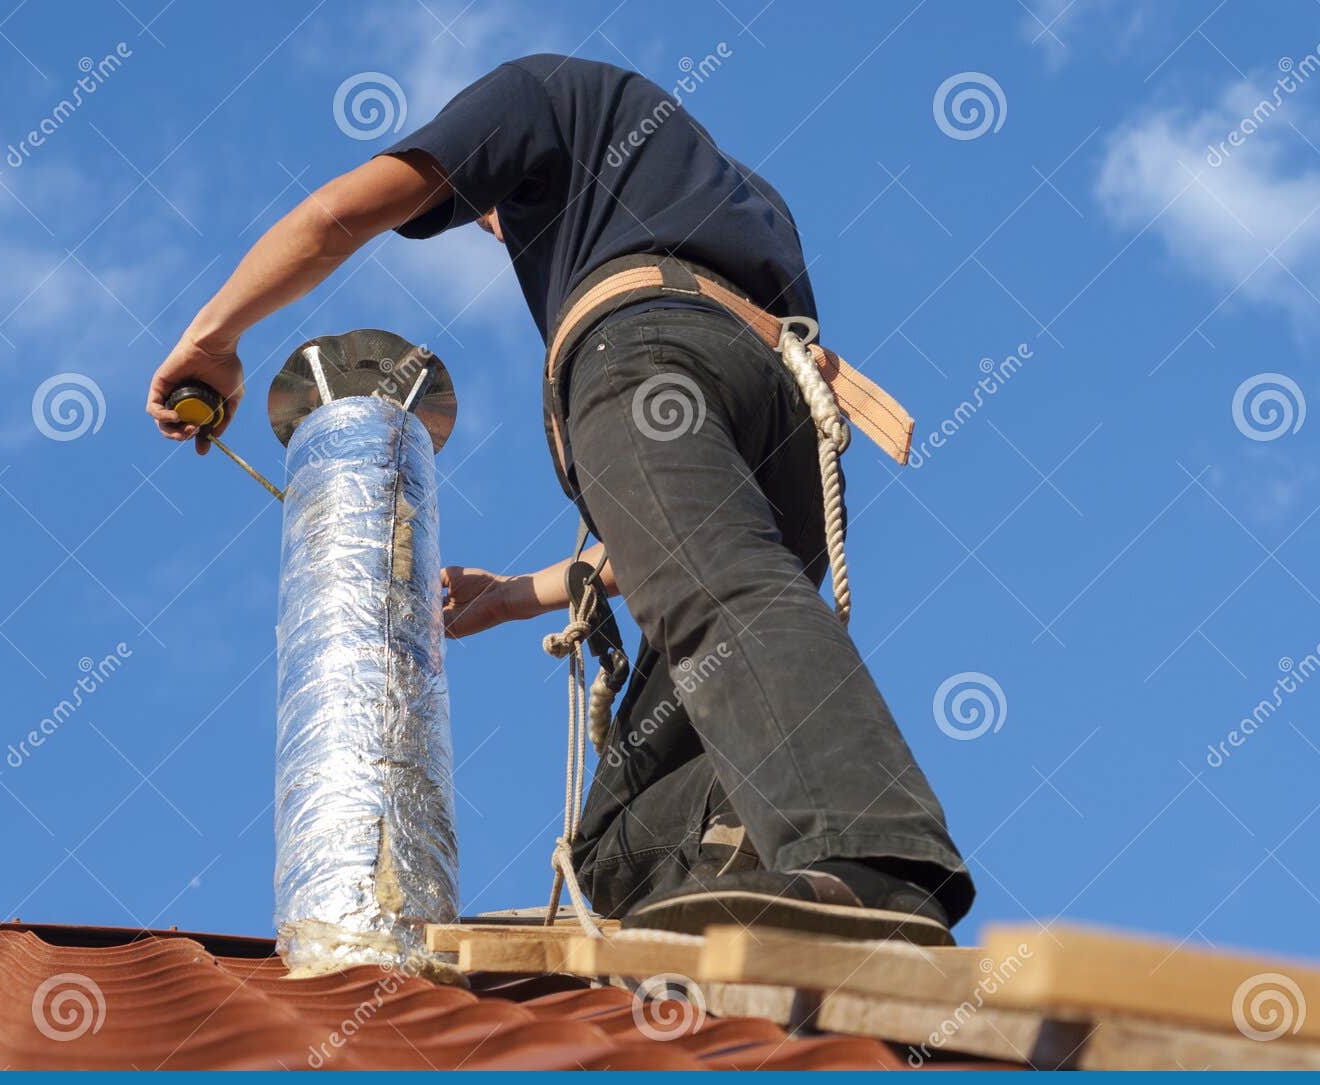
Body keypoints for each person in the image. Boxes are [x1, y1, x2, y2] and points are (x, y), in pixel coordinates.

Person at [147, 54, 974, 944]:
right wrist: (517, 595)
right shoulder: (730, 196)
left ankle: (874, 862)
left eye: (483, 213)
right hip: (785, 424)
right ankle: (727, 913)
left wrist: (213, 335)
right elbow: (694, 528)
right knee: (633, 815)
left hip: (650, 355)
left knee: (721, 599)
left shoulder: (543, 97)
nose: (491, 232)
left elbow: (340, 214)